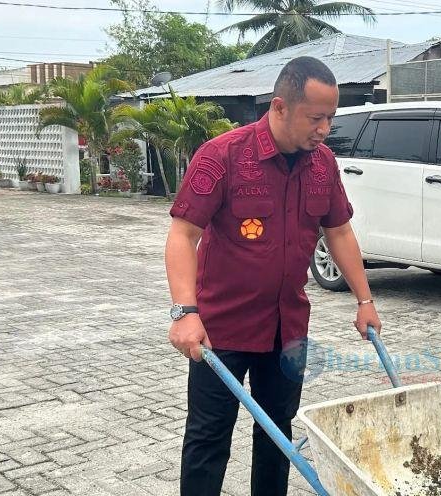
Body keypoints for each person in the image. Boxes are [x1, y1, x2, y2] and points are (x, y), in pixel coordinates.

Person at [164, 56, 382, 495]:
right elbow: (183, 234)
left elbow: (338, 230)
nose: (324, 128)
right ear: (280, 108)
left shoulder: (322, 164)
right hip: (220, 329)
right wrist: (184, 312)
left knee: (278, 437)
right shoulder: (222, 156)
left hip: (287, 328)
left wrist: (364, 300)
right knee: (209, 437)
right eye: (315, 117)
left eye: (330, 118)